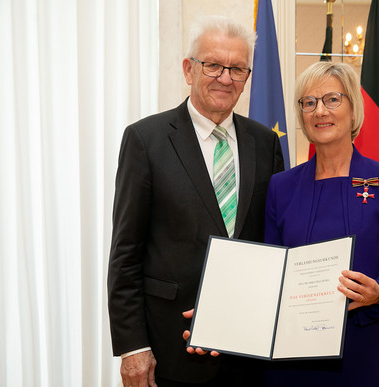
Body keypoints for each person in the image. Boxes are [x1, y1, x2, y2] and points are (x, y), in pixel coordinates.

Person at [107, 15, 284, 387]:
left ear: (247, 77)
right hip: (170, 351)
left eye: (237, 68)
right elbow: (126, 253)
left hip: (247, 352)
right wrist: (132, 347)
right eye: (214, 65)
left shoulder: (265, 143)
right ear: (189, 69)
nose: (225, 77)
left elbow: (272, 242)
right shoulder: (146, 140)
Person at [263, 61, 379, 386]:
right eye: (309, 102)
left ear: (353, 109)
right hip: (289, 358)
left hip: (361, 354)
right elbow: (269, 272)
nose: (319, 110)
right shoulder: (280, 186)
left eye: (332, 99)